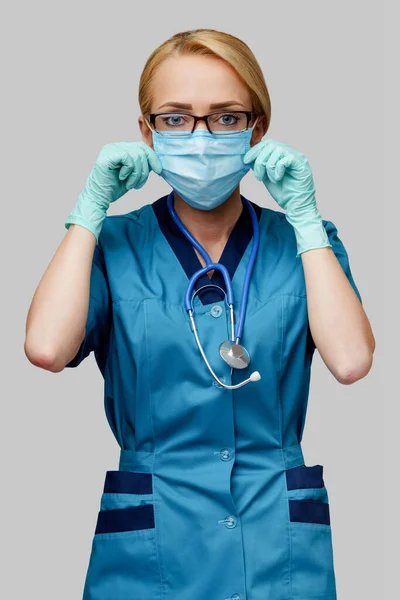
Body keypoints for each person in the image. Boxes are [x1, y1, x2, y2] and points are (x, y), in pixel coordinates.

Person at [25, 28, 375, 600]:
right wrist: (87, 213)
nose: (202, 136)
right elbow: (45, 347)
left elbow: (353, 361)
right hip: (155, 539)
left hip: (276, 539)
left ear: (257, 130)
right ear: (146, 132)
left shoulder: (305, 244)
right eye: (175, 118)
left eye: (227, 118)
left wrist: (307, 220)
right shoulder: (111, 244)